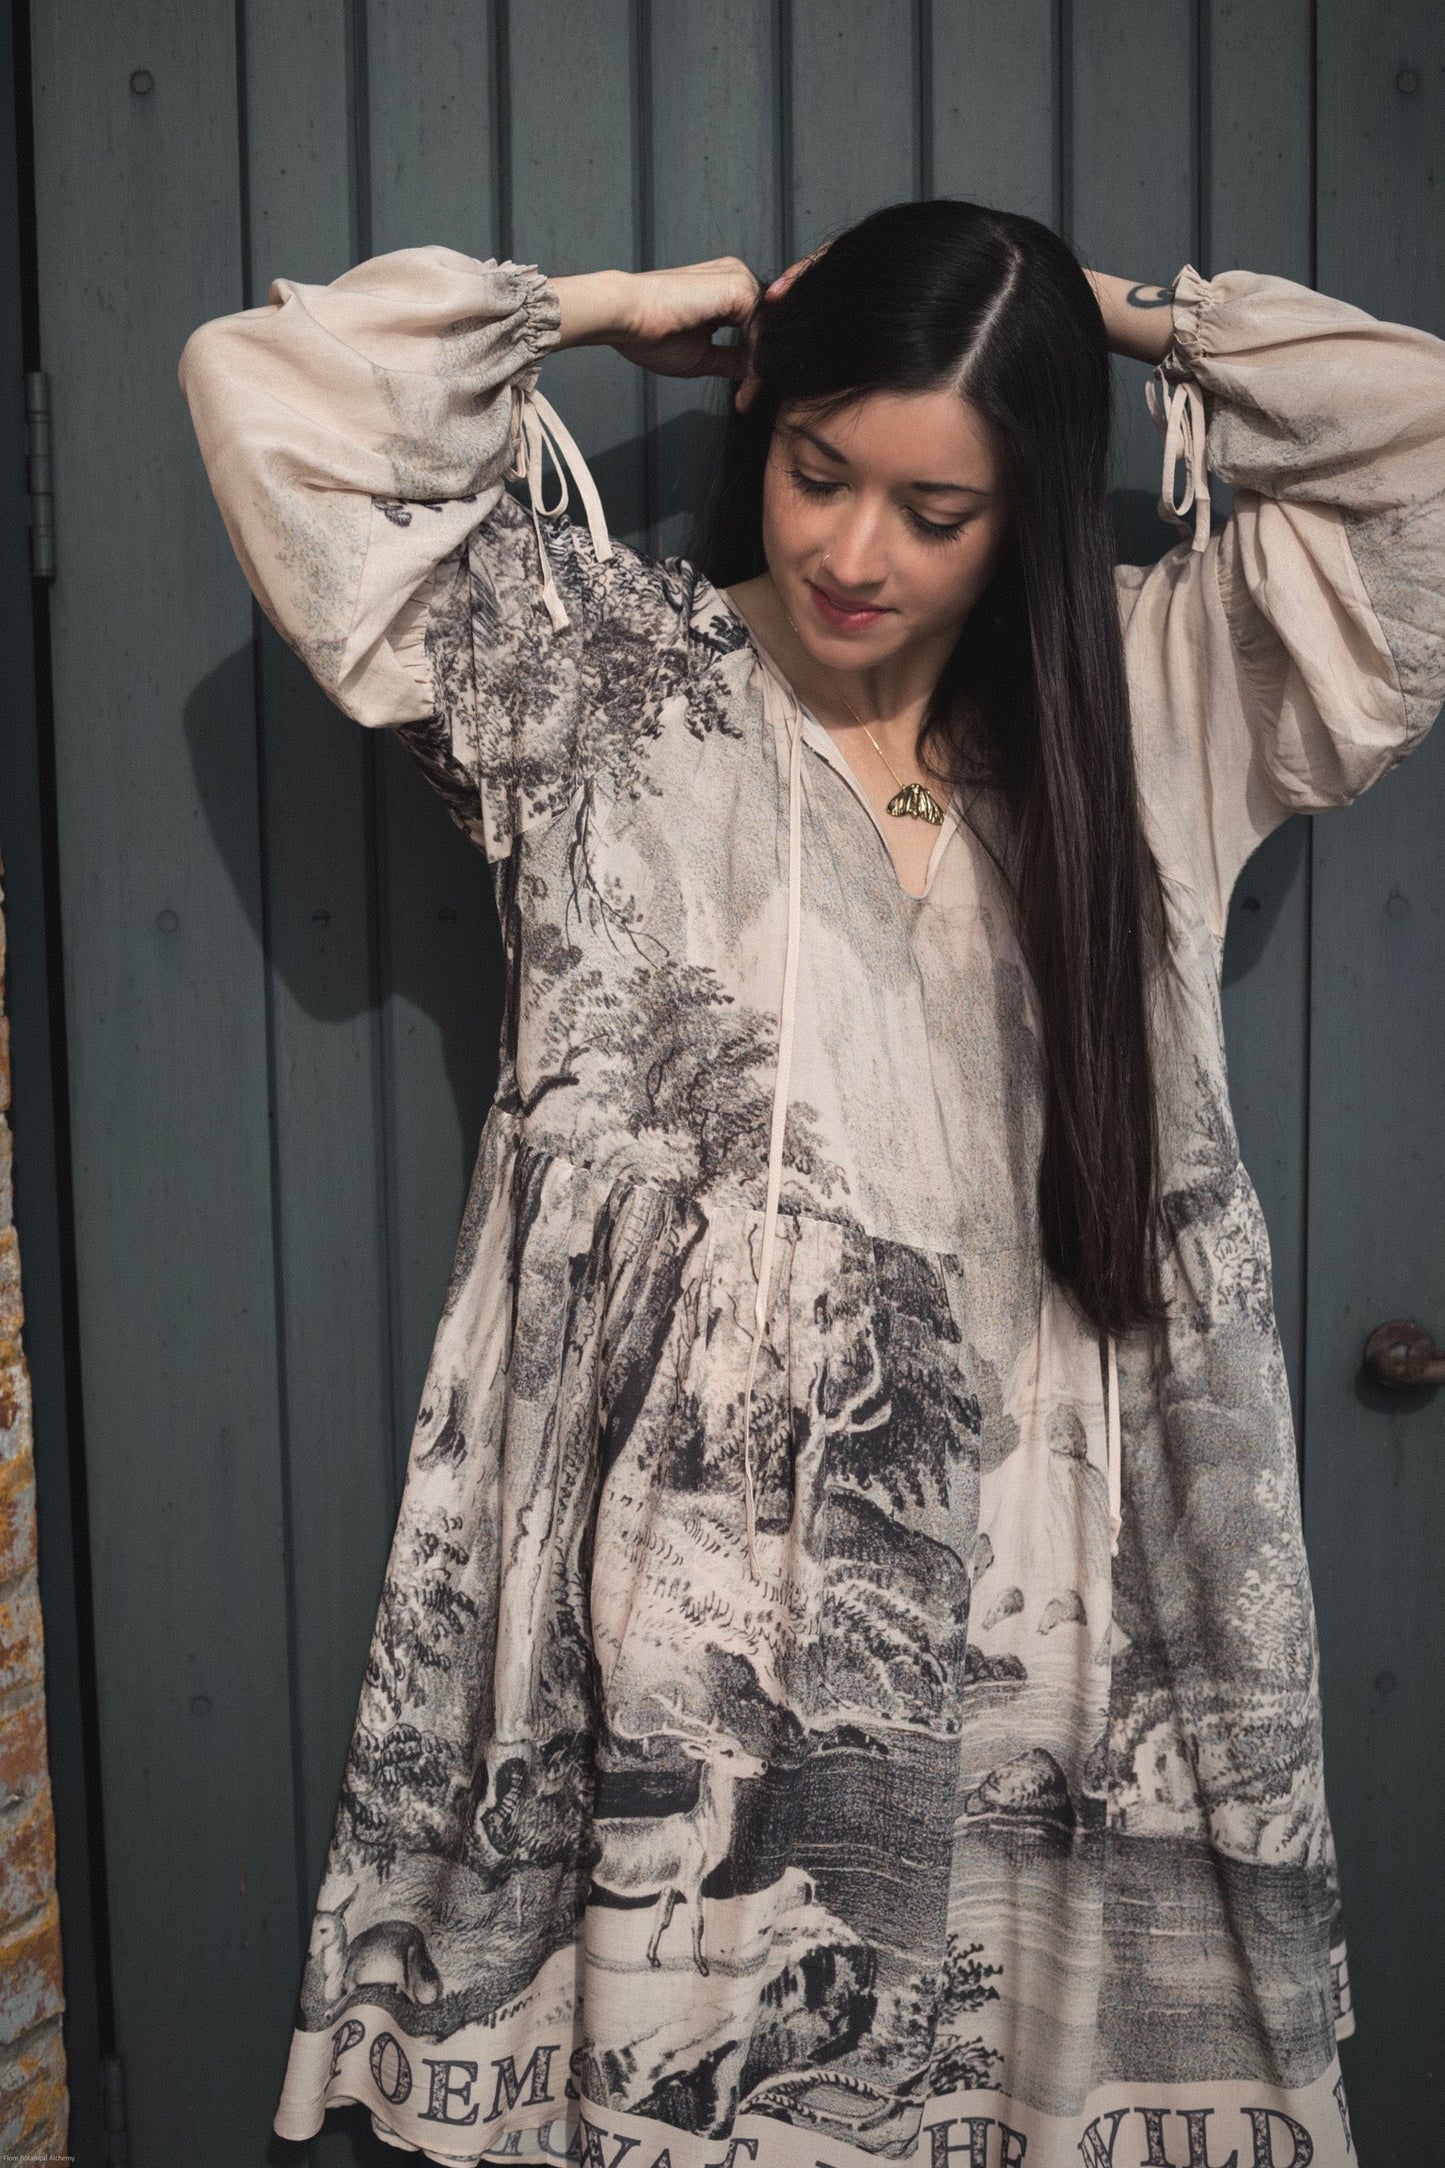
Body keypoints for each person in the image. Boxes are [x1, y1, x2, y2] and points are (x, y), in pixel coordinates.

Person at [179, 198, 1444, 2168]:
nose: (853, 551)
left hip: (1085, 1565)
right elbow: (265, 394)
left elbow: (1422, 446)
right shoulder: (597, 677)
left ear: (1030, 505)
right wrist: (595, 313)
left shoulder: (1163, 694)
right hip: (701, 1574)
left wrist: (1118, 325)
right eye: (817, 469)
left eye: (938, 510)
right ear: (761, 413)